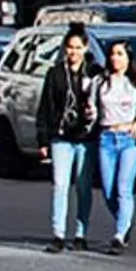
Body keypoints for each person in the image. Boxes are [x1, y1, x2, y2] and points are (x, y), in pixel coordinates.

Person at [34, 27, 101, 254]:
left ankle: (81, 233)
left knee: (83, 186)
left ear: (85, 48)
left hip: (85, 137)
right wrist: (43, 140)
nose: (73, 52)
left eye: (77, 48)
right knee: (60, 185)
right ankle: (58, 234)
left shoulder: (93, 72)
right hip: (61, 137)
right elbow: (45, 107)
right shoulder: (55, 74)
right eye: (69, 48)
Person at [91, 39, 136, 255]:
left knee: (123, 186)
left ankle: (119, 235)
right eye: (113, 54)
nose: (116, 58)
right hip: (107, 138)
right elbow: (91, 108)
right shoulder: (100, 82)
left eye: (120, 54)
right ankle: (124, 222)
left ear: (128, 58)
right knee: (109, 190)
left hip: (129, 139)